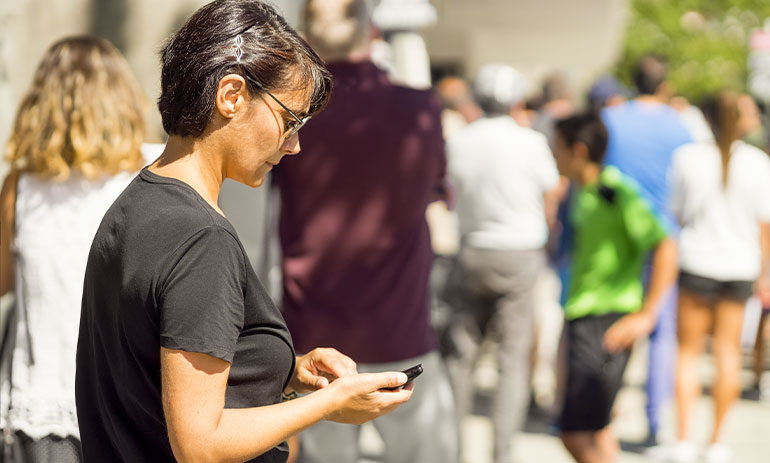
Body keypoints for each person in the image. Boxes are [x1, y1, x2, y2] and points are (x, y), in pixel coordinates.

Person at [74, 2, 413, 462]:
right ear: (231, 95)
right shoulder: (200, 239)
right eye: (291, 121)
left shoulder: (139, 201)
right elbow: (200, 444)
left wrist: (282, 371)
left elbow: (157, 368)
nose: (294, 145)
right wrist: (328, 403)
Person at [272, 1, 458, 462]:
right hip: (401, 323)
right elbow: (437, 189)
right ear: (371, 31)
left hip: (316, 337)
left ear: (308, 38)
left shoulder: (292, 114)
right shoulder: (418, 108)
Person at [0, 36, 158, 463]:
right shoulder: (152, 176)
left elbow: (2, 282)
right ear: (124, 100)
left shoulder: (22, 186)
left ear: (43, 104)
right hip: (130, 402)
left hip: (42, 404)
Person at [443, 62, 561, 463]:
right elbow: (550, 198)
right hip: (520, 253)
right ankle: (502, 453)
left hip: (472, 249)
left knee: (462, 358)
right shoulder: (530, 141)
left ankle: (454, 451)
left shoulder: (460, 140)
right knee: (513, 360)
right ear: (515, 100)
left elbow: (450, 194)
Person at [553, 113, 677, 463]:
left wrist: (647, 313)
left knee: (574, 433)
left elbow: (665, 245)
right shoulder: (580, 191)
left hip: (605, 321)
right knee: (597, 428)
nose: (553, 155)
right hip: (581, 316)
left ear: (578, 150)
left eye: (557, 147)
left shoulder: (616, 191)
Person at [657, 91, 770, 463]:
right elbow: (764, 227)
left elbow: (674, 214)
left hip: (697, 263)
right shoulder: (758, 163)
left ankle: (684, 439)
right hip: (739, 267)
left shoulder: (687, 158)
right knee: (727, 354)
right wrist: (765, 272)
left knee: (688, 354)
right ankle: (717, 442)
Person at [600, 55, 693, 443]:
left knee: (608, 325)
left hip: (616, 237)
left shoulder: (612, 120)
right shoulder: (681, 127)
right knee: (660, 329)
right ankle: (655, 424)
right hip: (663, 239)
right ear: (664, 84)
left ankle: (599, 413)